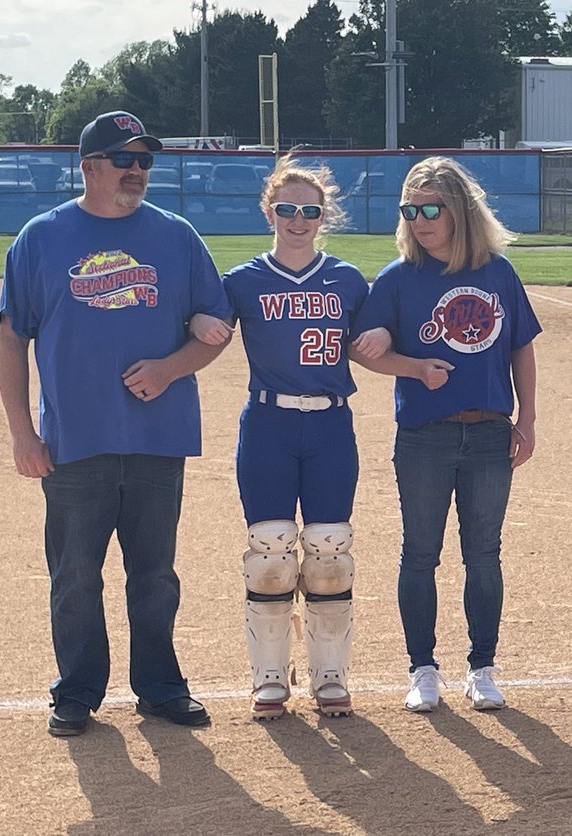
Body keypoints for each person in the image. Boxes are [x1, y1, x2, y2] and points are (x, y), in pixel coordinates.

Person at [0, 110, 231, 736]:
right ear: (89, 167)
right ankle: (76, 691)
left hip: (158, 437)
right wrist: (22, 433)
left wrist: (171, 368)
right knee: (75, 574)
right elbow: (11, 338)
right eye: (124, 158)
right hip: (74, 441)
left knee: (155, 574)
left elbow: (216, 328)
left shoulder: (177, 237)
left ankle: (159, 686)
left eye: (144, 160)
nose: (136, 170)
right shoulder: (41, 238)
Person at [352, 156, 540, 713]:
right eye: (410, 210)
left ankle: (482, 667)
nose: (419, 221)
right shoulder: (397, 278)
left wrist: (527, 419)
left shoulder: (497, 272)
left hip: (489, 434)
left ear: (458, 209)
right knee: (420, 553)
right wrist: (413, 367)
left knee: (483, 554)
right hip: (424, 436)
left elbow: (521, 348)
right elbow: (364, 351)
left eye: (430, 209)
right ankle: (423, 669)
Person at [188, 156, 369, 720]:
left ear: (323, 217)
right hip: (268, 424)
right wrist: (197, 322)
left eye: (309, 211)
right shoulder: (243, 280)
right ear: (269, 211)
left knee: (329, 551)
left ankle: (329, 674)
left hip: (329, 425)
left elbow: (377, 337)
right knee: (269, 551)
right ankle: (269, 675)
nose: (297, 220)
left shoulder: (347, 279)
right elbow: (202, 320)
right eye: (287, 209)